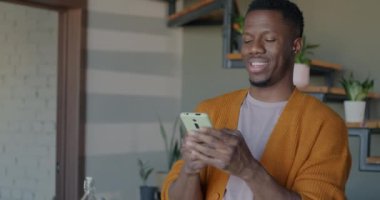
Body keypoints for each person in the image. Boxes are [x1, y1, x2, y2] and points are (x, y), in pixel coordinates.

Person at [161, 0, 351, 199]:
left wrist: (248, 169)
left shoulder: (325, 126)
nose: (254, 48)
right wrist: (190, 170)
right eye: (248, 39)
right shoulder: (211, 110)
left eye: (269, 39)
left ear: (295, 46)